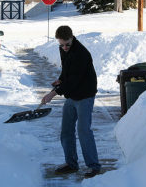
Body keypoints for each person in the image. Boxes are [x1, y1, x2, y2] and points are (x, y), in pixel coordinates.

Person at [41, 25, 101, 178]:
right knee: (66, 130)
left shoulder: (81, 54)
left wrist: (52, 94)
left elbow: (73, 80)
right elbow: (67, 70)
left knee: (83, 131)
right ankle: (71, 164)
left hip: (85, 95)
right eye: (61, 44)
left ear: (72, 37)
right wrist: (60, 79)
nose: (65, 47)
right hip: (73, 95)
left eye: (67, 44)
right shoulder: (64, 49)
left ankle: (94, 166)